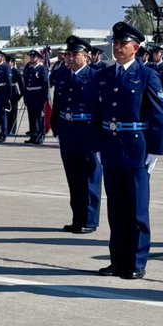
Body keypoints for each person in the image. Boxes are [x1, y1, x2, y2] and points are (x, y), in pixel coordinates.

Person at [93, 22, 163, 279]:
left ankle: (136, 262)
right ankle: (117, 259)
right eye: (115, 44)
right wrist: (98, 145)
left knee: (137, 210)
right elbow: (96, 114)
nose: (117, 48)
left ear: (135, 48)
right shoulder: (103, 75)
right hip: (112, 148)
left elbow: (161, 114)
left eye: (122, 44)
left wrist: (155, 150)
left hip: (137, 149)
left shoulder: (146, 75)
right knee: (116, 210)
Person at [52, 36, 102, 233]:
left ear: (87, 57)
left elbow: (101, 108)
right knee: (73, 177)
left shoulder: (95, 77)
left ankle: (89, 220)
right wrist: (56, 127)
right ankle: (77, 218)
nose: (70, 58)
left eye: (75, 54)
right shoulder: (63, 76)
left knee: (90, 177)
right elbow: (57, 103)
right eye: (68, 54)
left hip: (87, 131)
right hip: (68, 131)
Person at [22, 49, 49, 145]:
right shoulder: (29, 68)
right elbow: (26, 84)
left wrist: (43, 98)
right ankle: (33, 135)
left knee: (39, 117)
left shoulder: (42, 69)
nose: (32, 58)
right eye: (31, 56)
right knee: (31, 117)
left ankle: (39, 136)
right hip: (30, 95)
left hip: (38, 95)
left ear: (38, 58)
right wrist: (25, 96)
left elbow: (45, 84)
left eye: (34, 56)